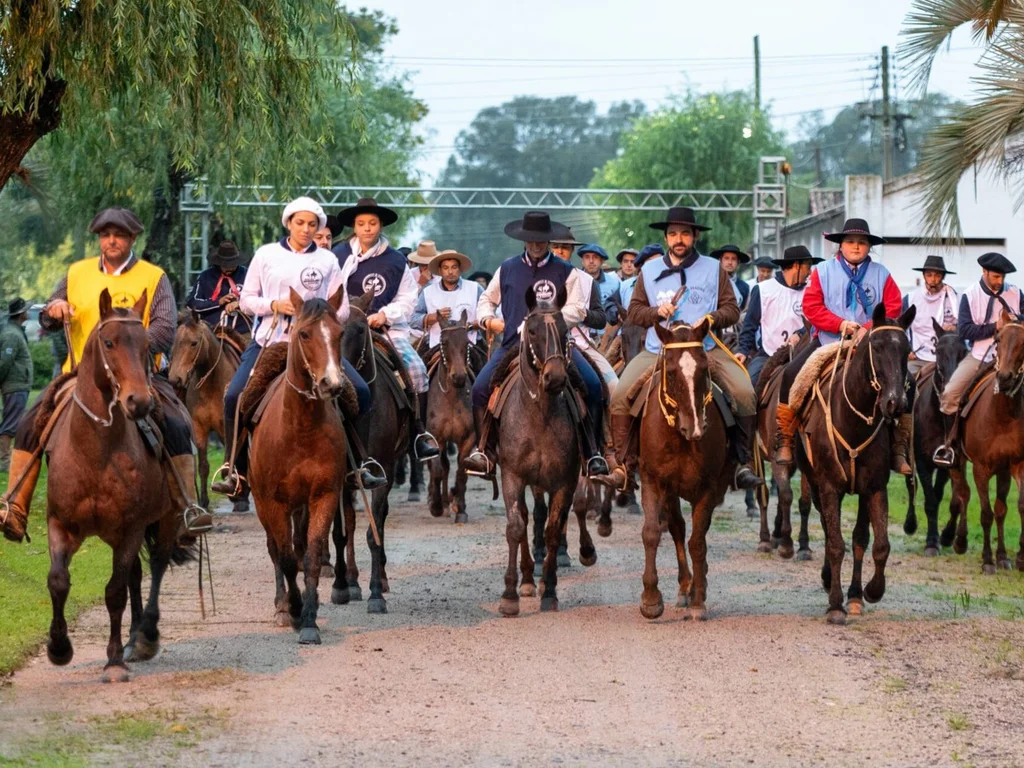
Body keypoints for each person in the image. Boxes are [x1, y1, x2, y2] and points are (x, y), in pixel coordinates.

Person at [1, 207, 211, 543]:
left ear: (132, 239)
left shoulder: (153, 276)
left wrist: (131, 346)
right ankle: (15, 508)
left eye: (119, 235)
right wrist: (54, 310)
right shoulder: (77, 273)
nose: (111, 240)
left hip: (138, 376)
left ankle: (187, 506)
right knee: (29, 423)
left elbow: (164, 328)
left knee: (175, 422)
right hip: (79, 377)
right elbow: (49, 316)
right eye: (105, 235)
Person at [211, 197, 386, 498]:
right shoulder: (266, 255)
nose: (306, 229)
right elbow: (246, 299)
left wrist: (320, 314)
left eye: (312, 224)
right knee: (235, 395)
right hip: (271, 340)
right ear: (288, 223)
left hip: (316, 346)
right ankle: (235, 470)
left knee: (362, 392)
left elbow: (342, 308)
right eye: (300, 223)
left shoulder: (328, 261)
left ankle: (359, 464)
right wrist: (274, 304)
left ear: (319, 227)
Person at [596, 207, 763, 492]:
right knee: (621, 394)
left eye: (685, 233)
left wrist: (712, 318)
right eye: (673, 234)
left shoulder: (714, 268)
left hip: (705, 349)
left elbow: (732, 310)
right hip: (659, 350)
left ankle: (742, 463)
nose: (679, 239)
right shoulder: (648, 270)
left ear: (695, 236)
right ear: (666, 237)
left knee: (745, 392)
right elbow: (634, 313)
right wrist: (656, 313)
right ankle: (624, 466)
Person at [463, 211, 610, 479]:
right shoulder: (507, 268)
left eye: (542, 239)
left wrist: (547, 322)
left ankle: (592, 452)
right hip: (512, 345)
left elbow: (578, 306)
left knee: (593, 386)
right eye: (532, 239)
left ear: (549, 241)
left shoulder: (568, 271)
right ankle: (484, 450)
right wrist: (487, 320)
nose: (537, 244)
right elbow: (487, 300)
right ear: (524, 240)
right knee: (480, 389)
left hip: (556, 346)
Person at [772, 218, 909, 474]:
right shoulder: (822, 271)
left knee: (905, 381)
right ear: (841, 246)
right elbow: (811, 307)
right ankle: (786, 439)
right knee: (792, 374)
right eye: (851, 242)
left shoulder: (882, 274)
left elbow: (893, 306)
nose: (856, 247)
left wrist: (867, 330)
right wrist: (841, 325)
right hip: (829, 341)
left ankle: (899, 446)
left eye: (862, 243)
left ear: (869, 247)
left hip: (871, 347)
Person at [332, 198, 440, 461]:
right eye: (361, 224)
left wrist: (384, 314)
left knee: (416, 371)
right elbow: (328, 292)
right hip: (342, 328)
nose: (367, 228)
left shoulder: (395, 260)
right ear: (354, 228)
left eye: (372, 223)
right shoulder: (337, 255)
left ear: (380, 226)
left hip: (384, 330)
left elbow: (408, 298)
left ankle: (418, 433)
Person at [934, 252, 1022, 466]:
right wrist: (995, 328)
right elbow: (964, 330)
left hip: (1015, 358)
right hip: (981, 356)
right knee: (950, 394)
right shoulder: (970, 295)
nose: (999, 281)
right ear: (984, 272)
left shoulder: (1016, 293)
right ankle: (950, 445)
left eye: (1002, 277)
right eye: (995, 277)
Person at [736, 246, 822, 386]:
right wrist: (742, 351)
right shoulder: (763, 290)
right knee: (747, 389)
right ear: (796, 266)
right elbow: (750, 325)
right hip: (768, 354)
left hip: (804, 354)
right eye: (808, 266)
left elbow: (816, 320)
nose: (810, 272)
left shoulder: (812, 290)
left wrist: (800, 334)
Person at [903, 255, 959, 378]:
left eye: (937, 275)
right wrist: (907, 350)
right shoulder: (911, 299)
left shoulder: (953, 298)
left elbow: (964, 325)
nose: (933, 279)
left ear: (943, 277)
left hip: (947, 357)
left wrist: (954, 327)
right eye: (929, 275)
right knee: (904, 383)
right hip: (919, 357)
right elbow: (902, 327)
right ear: (923, 276)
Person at [185, 240, 250, 331]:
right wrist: (218, 302)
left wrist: (240, 304)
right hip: (211, 332)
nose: (230, 268)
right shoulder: (205, 277)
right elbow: (191, 303)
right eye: (226, 265)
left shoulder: (247, 274)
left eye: (233, 264)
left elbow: (258, 298)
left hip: (242, 331)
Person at [0, 298, 33, 472]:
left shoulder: (15, 331)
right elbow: (4, 362)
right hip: (15, 385)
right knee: (10, 423)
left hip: (19, 384)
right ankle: (4, 461)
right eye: (26, 309)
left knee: (14, 421)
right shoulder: (12, 335)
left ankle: (7, 457)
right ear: (21, 314)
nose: (28, 311)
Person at [577, 244, 622, 333]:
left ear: (601, 261)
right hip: (580, 336)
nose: (591, 261)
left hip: (606, 336)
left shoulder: (614, 283)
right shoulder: (574, 280)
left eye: (595, 257)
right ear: (582, 261)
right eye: (587, 257)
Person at [619, 244, 663, 310]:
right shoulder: (626, 285)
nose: (655, 265)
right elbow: (611, 303)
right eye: (651, 262)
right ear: (642, 266)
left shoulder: (670, 282)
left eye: (659, 261)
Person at [710, 244, 752, 311]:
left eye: (733, 259)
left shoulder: (745, 287)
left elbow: (746, 310)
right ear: (720, 261)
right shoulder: (712, 283)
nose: (730, 262)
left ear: (738, 262)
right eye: (726, 258)